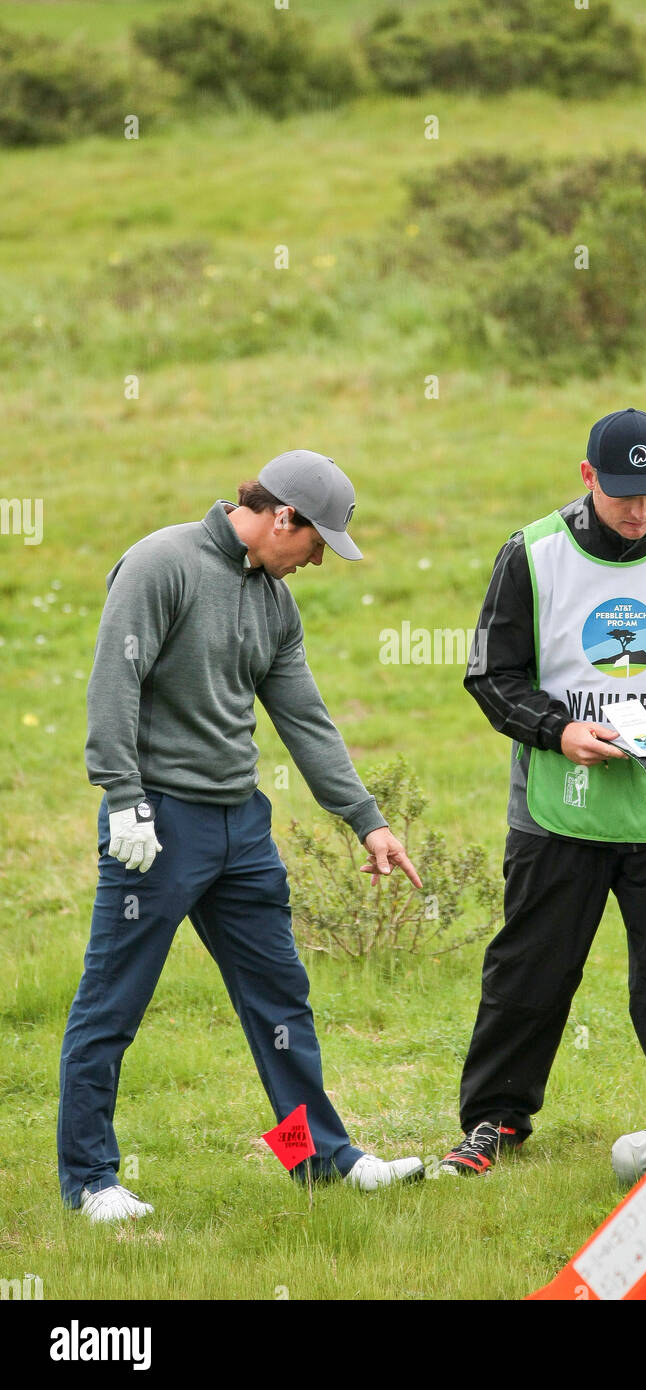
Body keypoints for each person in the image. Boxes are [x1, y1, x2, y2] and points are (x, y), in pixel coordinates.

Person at [58, 449, 425, 1220]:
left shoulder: (272, 599)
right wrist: (123, 797)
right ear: (281, 516)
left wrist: (368, 820)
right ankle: (90, 1180)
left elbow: (305, 718)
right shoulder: (161, 564)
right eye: (315, 543)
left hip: (241, 830)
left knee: (278, 1004)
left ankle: (317, 1159)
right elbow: (112, 684)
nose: (316, 560)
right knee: (112, 1004)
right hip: (155, 827)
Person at [439, 408, 646, 1177]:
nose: (642, 512)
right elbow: (491, 674)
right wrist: (557, 732)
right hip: (557, 808)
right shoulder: (532, 554)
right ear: (588, 479)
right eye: (624, 496)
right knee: (531, 970)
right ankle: (495, 1124)